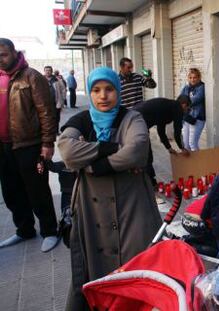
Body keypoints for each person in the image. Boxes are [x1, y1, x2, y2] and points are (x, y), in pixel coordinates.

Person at [58, 66, 162, 310]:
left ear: (118, 91)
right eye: (96, 90)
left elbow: (136, 151)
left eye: (109, 89)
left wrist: (94, 166)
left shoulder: (132, 117)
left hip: (132, 205)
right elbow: (68, 152)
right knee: (92, 268)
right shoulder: (81, 119)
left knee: (136, 266)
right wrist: (110, 148)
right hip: (90, 207)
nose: (103, 96)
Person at [0, 38, 59, 252]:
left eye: (4, 54)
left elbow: (46, 111)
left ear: (15, 52)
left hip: (30, 146)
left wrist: (47, 142)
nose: (0, 59)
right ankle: (24, 230)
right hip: (4, 148)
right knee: (11, 191)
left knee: (37, 190)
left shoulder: (31, 76)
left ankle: (50, 231)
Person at [134, 96, 191, 186]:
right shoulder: (177, 108)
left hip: (135, 117)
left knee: (142, 153)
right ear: (184, 105)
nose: (186, 111)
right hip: (138, 122)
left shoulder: (167, 107)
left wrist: (168, 147)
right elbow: (177, 131)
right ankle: (150, 184)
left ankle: (146, 181)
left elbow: (161, 130)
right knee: (147, 155)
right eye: (188, 108)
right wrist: (182, 148)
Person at [180, 68, 206, 151]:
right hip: (187, 117)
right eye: (190, 77)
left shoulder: (202, 87)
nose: (192, 80)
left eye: (194, 77)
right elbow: (180, 100)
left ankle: (198, 162)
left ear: (199, 78)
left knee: (192, 143)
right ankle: (189, 163)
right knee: (185, 144)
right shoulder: (186, 87)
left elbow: (195, 100)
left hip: (197, 118)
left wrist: (185, 102)